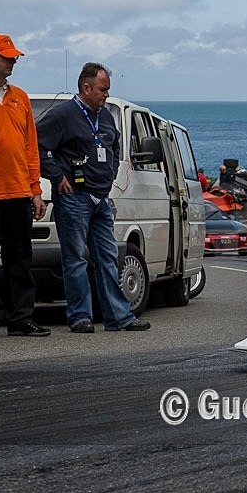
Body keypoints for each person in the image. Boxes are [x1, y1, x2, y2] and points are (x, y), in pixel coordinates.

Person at [37, 62, 150, 333]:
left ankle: (118, 317)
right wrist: (56, 176)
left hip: (100, 198)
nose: (106, 95)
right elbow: (38, 145)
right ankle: (80, 317)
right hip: (74, 198)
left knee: (108, 257)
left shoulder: (106, 116)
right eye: (102, 89)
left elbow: (113, 144)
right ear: (86, 88)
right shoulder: (62, 115)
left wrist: (110, 174)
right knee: (76, 258)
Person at [0, 33, 50, 338]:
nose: (12, 61)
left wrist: (35, 191)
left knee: (20, 259)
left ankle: (21, 319)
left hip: (18, 192)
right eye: (6, 56)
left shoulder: (20, 97)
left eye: (14, 56)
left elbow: (31, 149)